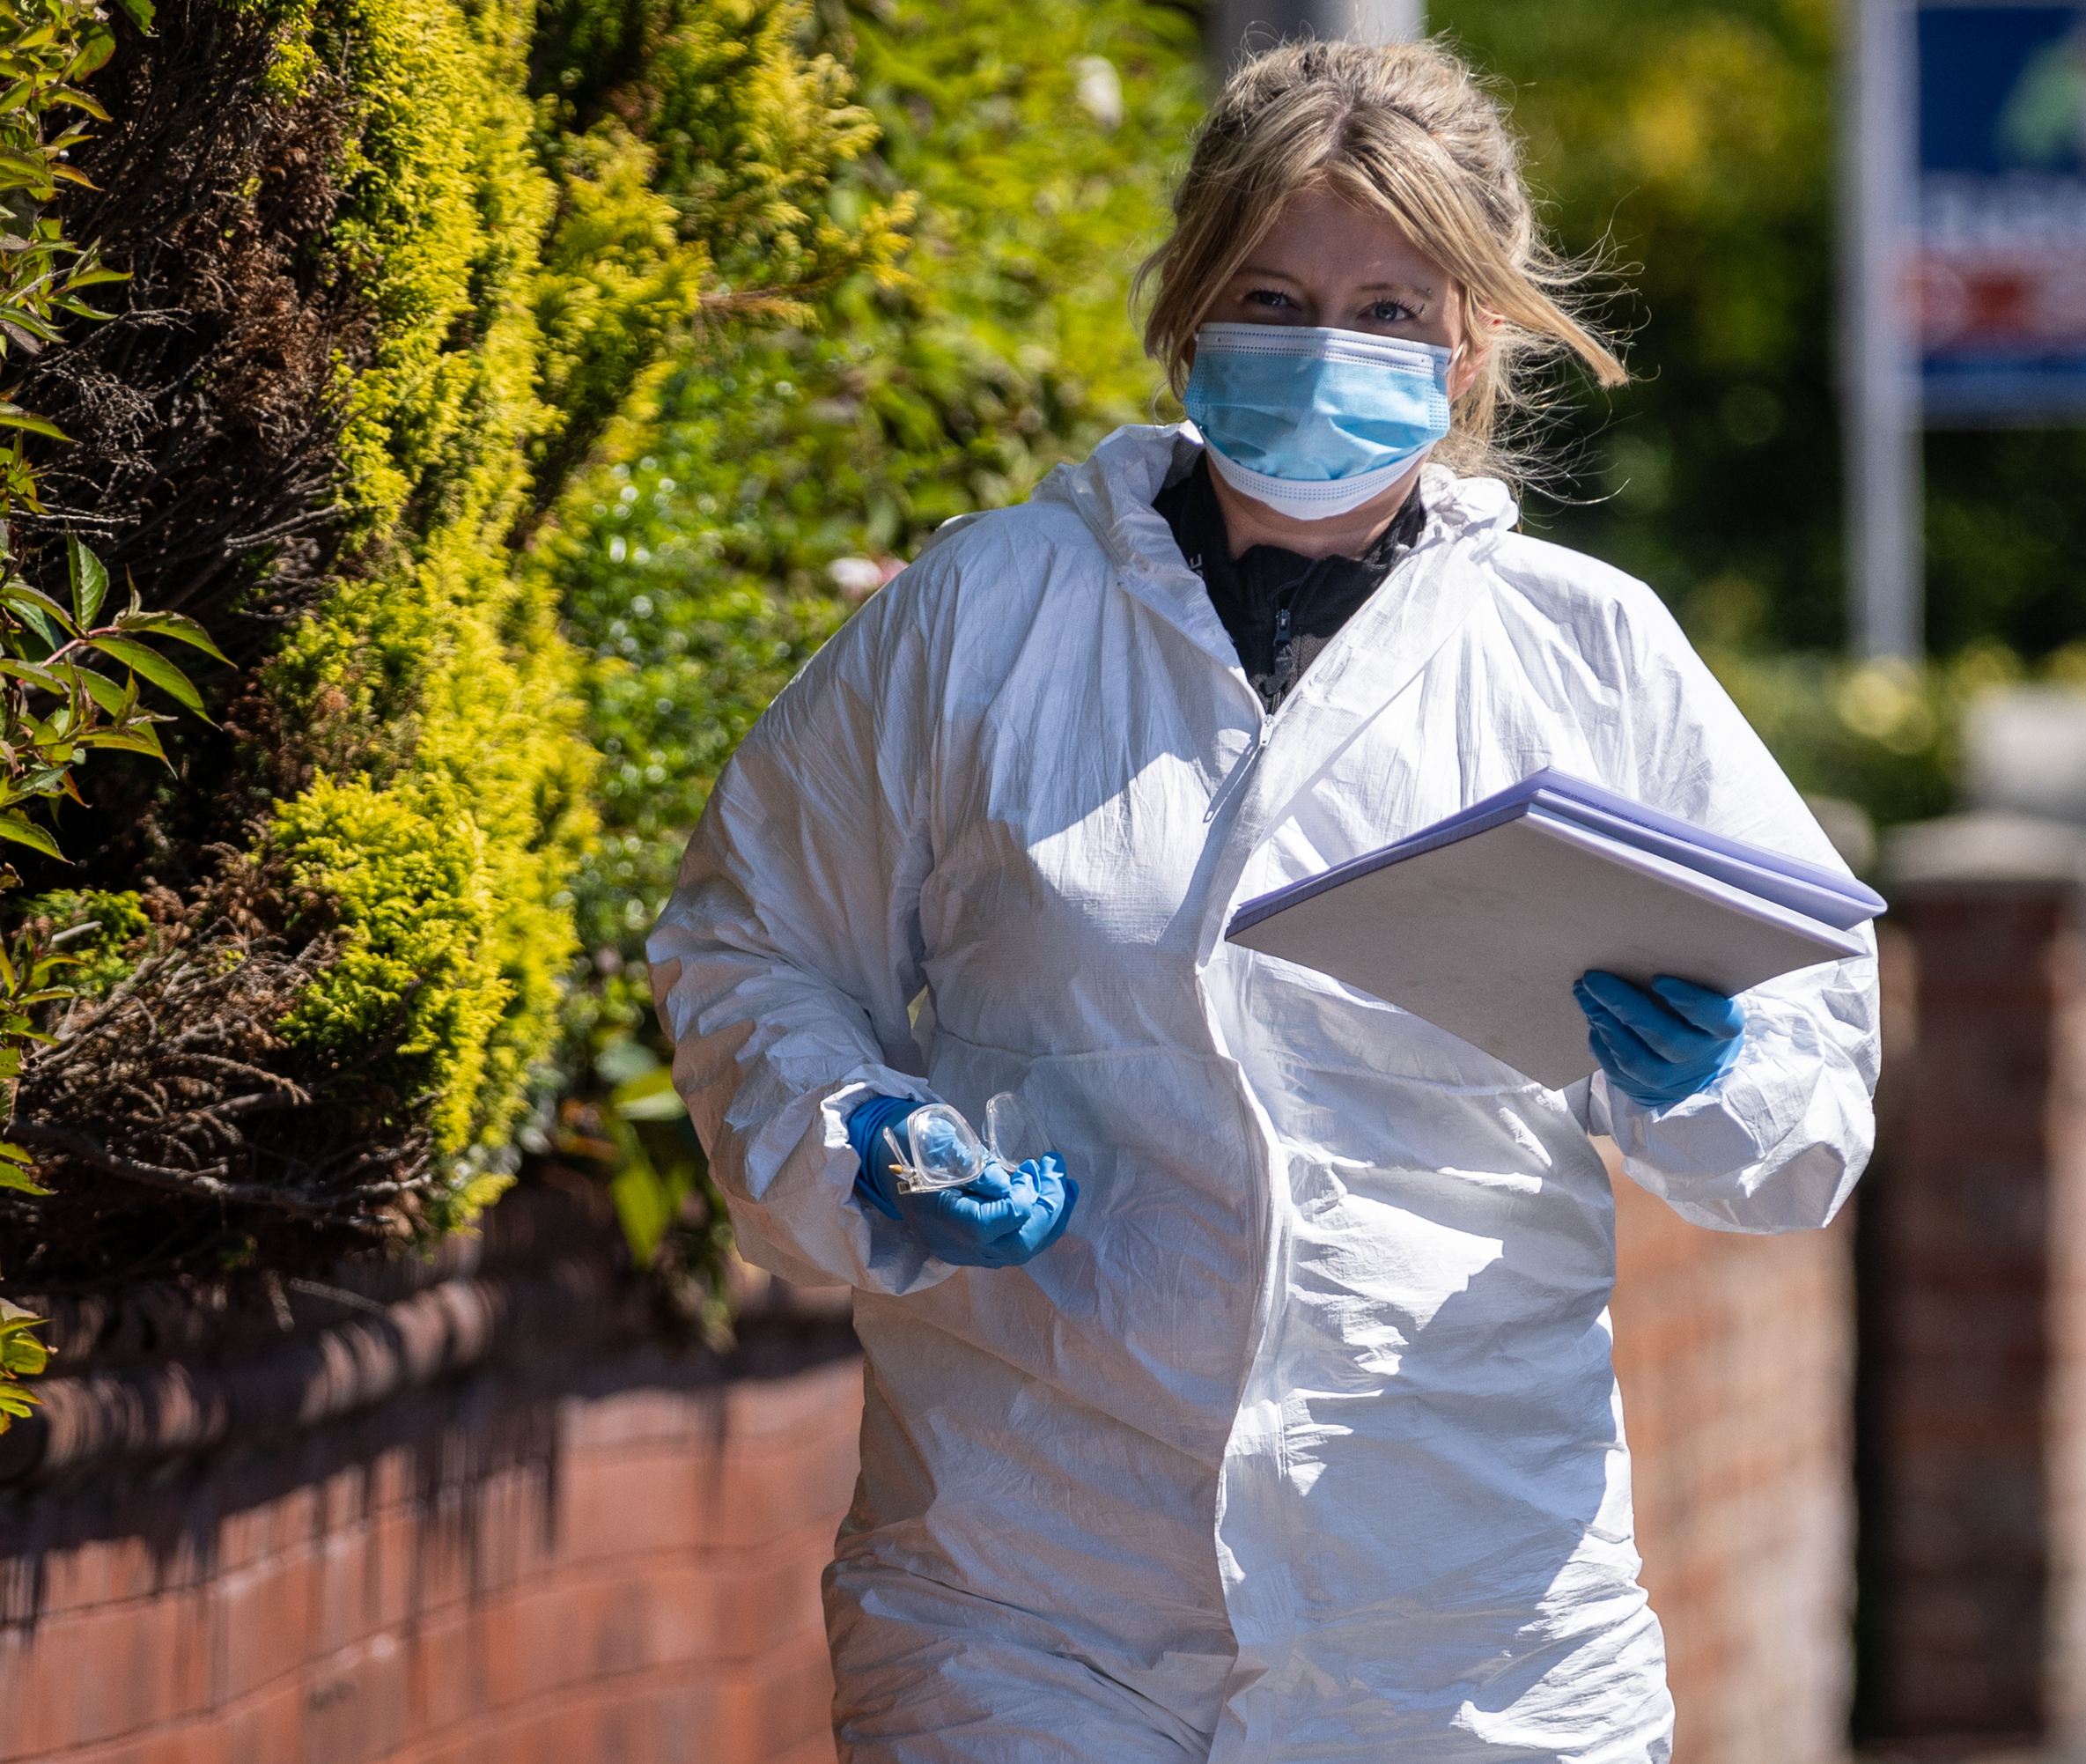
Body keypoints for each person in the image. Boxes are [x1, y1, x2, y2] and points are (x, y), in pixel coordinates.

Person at [652, 38, 1878, 1762]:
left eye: (1389, 310)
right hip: (1026, 1605)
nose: (1328, 349)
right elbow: (752, 940)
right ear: (1183, 310)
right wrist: (865, 1140)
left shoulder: (1586, 658)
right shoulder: (984, 616)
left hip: (1480, 1631)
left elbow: (1808, 1077)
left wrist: (1717, 1071)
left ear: (1474, 341)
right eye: (1275, 293)